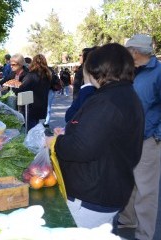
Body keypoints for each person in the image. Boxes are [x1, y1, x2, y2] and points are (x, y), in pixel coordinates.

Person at [47, 43, 144, 229]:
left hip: (92, 196)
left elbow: (80, 148)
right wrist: (71, 133)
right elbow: (101, 137)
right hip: (107, 190)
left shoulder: (107, 101)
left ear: (96, 69)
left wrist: (56, 142)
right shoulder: (124, 95)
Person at [118, 34, 161, 240]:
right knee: (128, 181)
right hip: (127, 138)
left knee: (146, 190)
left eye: (127, 50)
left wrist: (157, 135)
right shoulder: (129, 71)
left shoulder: (159, 72)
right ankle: (128, 220)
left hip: (147, 139)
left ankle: (144, 234)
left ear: (135, 52)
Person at [13, 54, 51, 131]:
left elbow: (21, 89)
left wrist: (14, 88)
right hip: (42, 107)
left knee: (31, 132)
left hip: (30, 108)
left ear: (33, 63)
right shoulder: (48, 75)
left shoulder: (31, 75)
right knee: (37, 130)